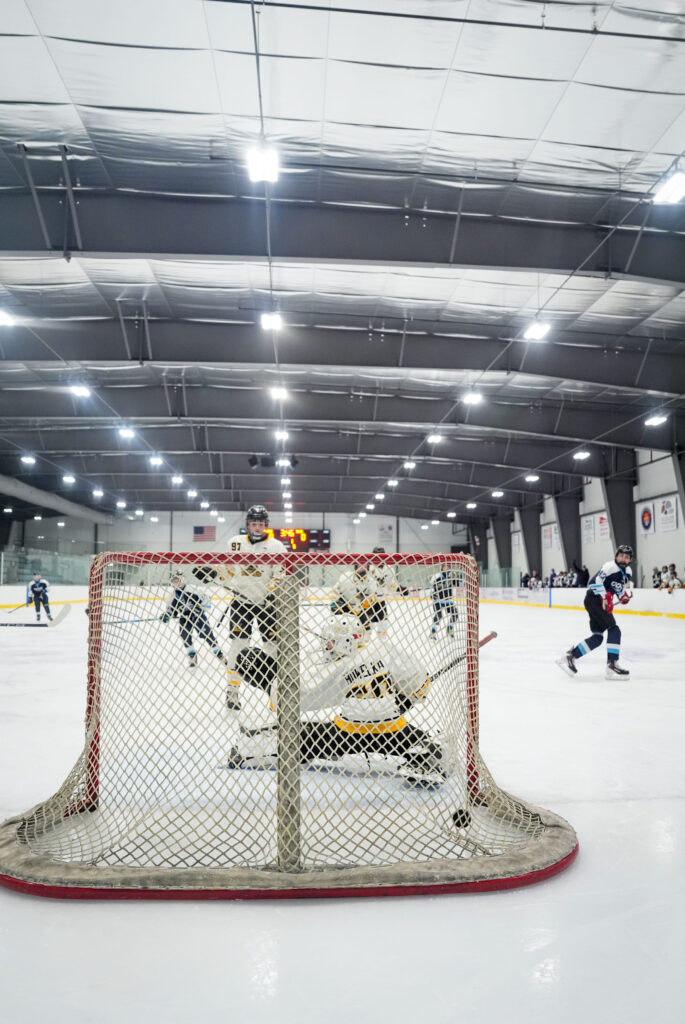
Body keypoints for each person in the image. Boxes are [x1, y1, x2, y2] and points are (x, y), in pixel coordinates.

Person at [226, 617, 444, 787]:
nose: (327, 646)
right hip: (394, 731)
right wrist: (407, 699)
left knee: (303, 736)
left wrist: (270, 680)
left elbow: (304, 697)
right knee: (425, 740)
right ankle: (431, 755)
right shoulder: (382, 648)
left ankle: (249, 749)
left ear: (346, 640)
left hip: (347, 735)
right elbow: (417, 680)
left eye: (330, 642)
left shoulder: (338, 669)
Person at [218, 505, 287, 710]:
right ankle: (232, 692)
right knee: (238, 648)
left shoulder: (276, 546)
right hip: (241, 603)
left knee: (272, 648)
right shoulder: (235, 544)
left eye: (261, 524)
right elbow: (228, 571)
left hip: (267, 605)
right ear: (248, 525)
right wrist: (214, 574)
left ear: (266, 525)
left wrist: (272, 593)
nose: (257, 528)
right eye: (254, 524)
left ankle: (274, 692)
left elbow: (280, 574)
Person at [557, 545, 634, 680]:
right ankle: (612, 664)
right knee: (614, 629)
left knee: (598, 637)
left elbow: (618, 587)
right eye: (621, 555)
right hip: (594, 600)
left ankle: (570, 656)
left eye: (626, 557)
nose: (623, 559)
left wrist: (623, 596)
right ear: (616, 556)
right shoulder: (609, 567)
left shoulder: (628, 572)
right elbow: (594, 583)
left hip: (598, 603)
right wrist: (606, 597)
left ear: (630, 560)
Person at [160, 569, 229, 672]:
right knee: (185, 636)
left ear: (182, 579)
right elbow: (170, 611)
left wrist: (199, 608)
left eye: (177, 580)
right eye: (174, 581)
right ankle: (192, 656)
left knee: (208, 635)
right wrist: (166, 616)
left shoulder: (193, 590)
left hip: (198, 616)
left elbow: (207, 601)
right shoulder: (172, 596)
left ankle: (219, 654)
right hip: (184, 618)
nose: (176, 583)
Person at [430, 568, 459, 639]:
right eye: (445, 566)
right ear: (441, 567)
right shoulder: (436, 577)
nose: (446, 567)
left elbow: (457, 584)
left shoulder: (452, 575)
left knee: (455, 614)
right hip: (438, 600)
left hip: (449, 600)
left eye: (448, 566)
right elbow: (431, 590)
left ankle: (450, 628)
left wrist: (456, 578)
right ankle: (433, 632)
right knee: (439, 616)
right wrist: (433, 593)